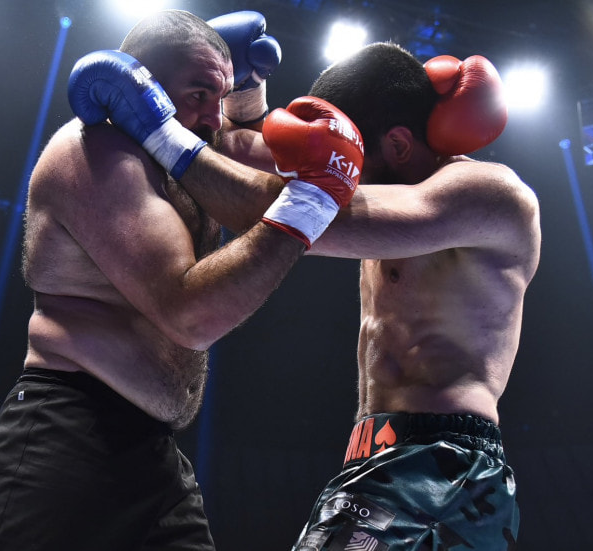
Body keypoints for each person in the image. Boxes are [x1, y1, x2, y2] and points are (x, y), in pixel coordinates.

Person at [92, 41, 540, 549]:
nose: (336, 172)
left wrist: (155, 129)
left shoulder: (490, 197)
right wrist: (244, 90)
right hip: (375, 459)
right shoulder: (380, 176)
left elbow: (286, 212)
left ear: (397, 145)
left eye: (351, 159)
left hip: (445, 468)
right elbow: (243, 153)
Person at [0, 9, 363, 551]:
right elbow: (189, 314)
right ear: (141, 83)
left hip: (154, 453)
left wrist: (249, 96)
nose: (212, 118)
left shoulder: (186, 151)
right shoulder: (95, 151)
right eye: (198, 94)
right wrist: (309, 206)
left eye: (220, 99)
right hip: (66, 432)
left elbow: (256, 168)